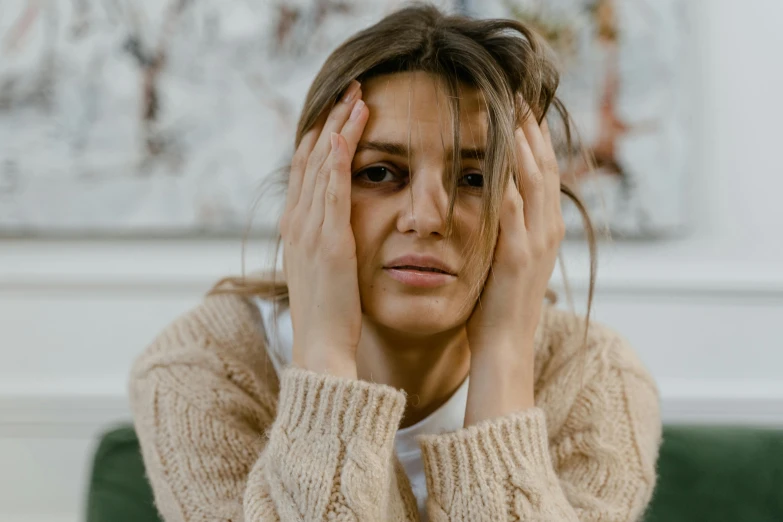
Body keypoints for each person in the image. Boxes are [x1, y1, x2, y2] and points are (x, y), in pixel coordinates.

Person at [129, 5, 661, 521]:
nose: (427, 218)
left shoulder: (595, 380)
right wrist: (326, 356)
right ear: (313, 191)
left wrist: (503, 356)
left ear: (533, 208)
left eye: (474, 179)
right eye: (381, 172)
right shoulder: (201, 370)